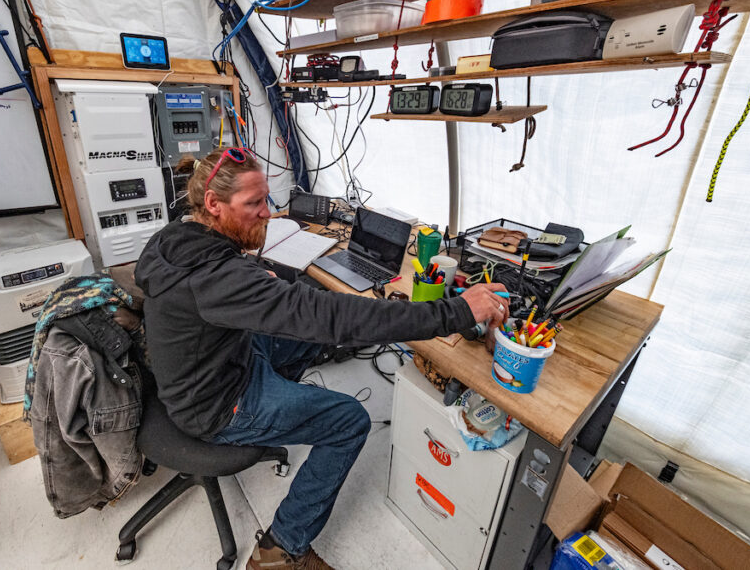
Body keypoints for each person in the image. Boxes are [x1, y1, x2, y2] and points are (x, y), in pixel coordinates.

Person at [135, 147, 509, 570]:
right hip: (216, 404)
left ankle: (286, 402)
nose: (267, 213)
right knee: (348, 419)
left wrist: (258, 281)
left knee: (312, 336)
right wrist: (454, 313)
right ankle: (281, 552)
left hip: (214, 359)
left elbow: (227, 288)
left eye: (267, 199)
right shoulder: (216, 280)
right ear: (214, 205)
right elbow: (326, 315)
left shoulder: (177, 238)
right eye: (254, 204)